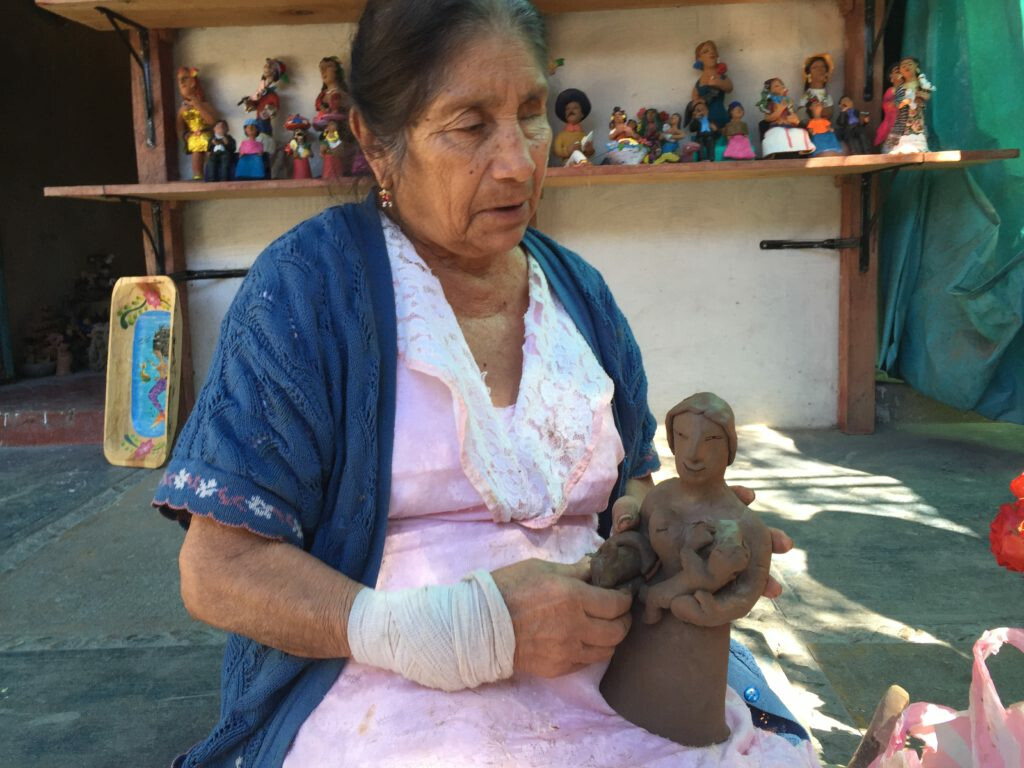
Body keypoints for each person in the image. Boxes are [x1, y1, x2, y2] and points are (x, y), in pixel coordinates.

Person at [154, 1, 811, 766]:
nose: (519, 162)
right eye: (469, 125)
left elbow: (628, 485)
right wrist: (459, 632)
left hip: (612, 668)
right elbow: (219, 572)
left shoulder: (579, 295)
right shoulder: (308, 290)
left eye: (530, 114)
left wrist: (678, 528)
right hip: (385, 689)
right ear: (376, 141)